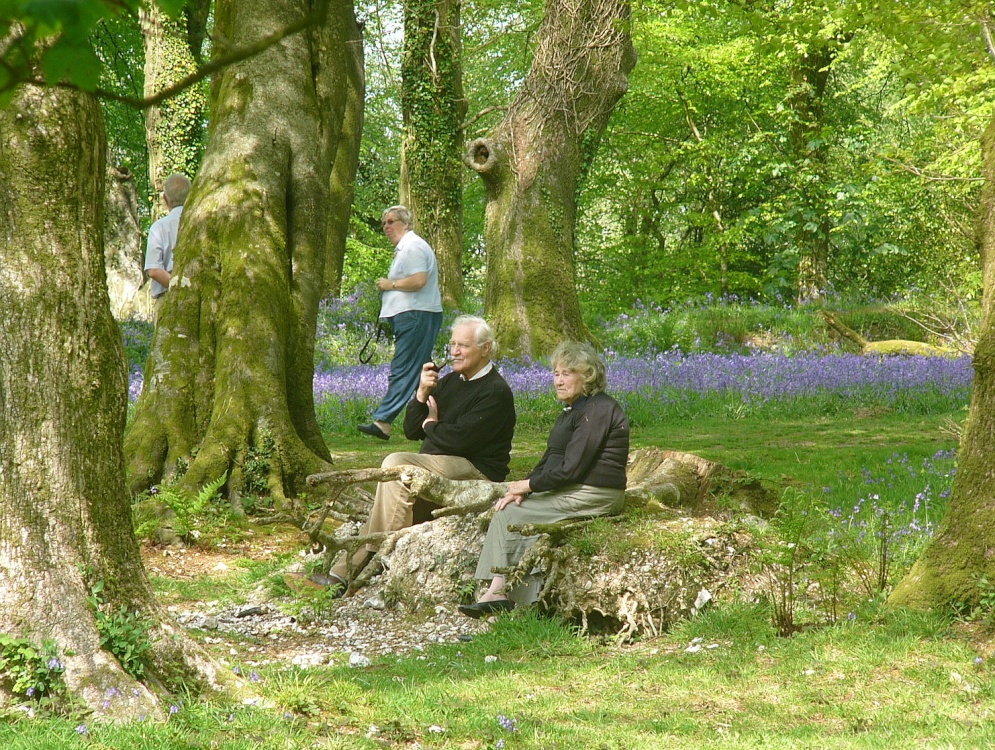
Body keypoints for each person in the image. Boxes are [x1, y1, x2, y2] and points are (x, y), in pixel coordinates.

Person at [306, 315, 515, 596]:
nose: (454, 351)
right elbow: (411, 430)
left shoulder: (496, 391)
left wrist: (432, 424)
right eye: (452, 344)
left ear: (485, 348)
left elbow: (459, 441)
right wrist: (421, 394)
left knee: (396, 464)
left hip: (476, 471)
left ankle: (366, 563)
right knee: (392, 488)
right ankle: (343, 574)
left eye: (463, 345)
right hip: (440, 464)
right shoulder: (451, 381)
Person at [459, 341, 629, 618]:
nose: (558, 381)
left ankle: (508, 600)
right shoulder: (573, 411)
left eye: (566, 374)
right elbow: (550, 460)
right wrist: (523, 489)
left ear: (587, 377)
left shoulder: (598, 409)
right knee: (508, 510)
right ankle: (498, 591)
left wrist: (528, 486)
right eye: (556, 373)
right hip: (574, 488)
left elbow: (572, 467)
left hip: (596, 492)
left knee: (517, 516)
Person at [358, 205, 443, 441]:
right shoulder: (406, 248)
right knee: (422, 373)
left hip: (416, 315)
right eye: (384, 223)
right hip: (414, 315)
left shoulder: (412, 247)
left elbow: (419, 280)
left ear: (406, 224)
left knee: (403, 369)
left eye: (391, 221)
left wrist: (389, 285)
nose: (386, 227)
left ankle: (383, 421)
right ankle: (432, 418)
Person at [144, 173, 192, 317]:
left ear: (165, 199)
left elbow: (153, 270)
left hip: (167, 298)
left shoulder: (159, 227)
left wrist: (178, 287)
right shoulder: (199, 224)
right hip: (198, 297)